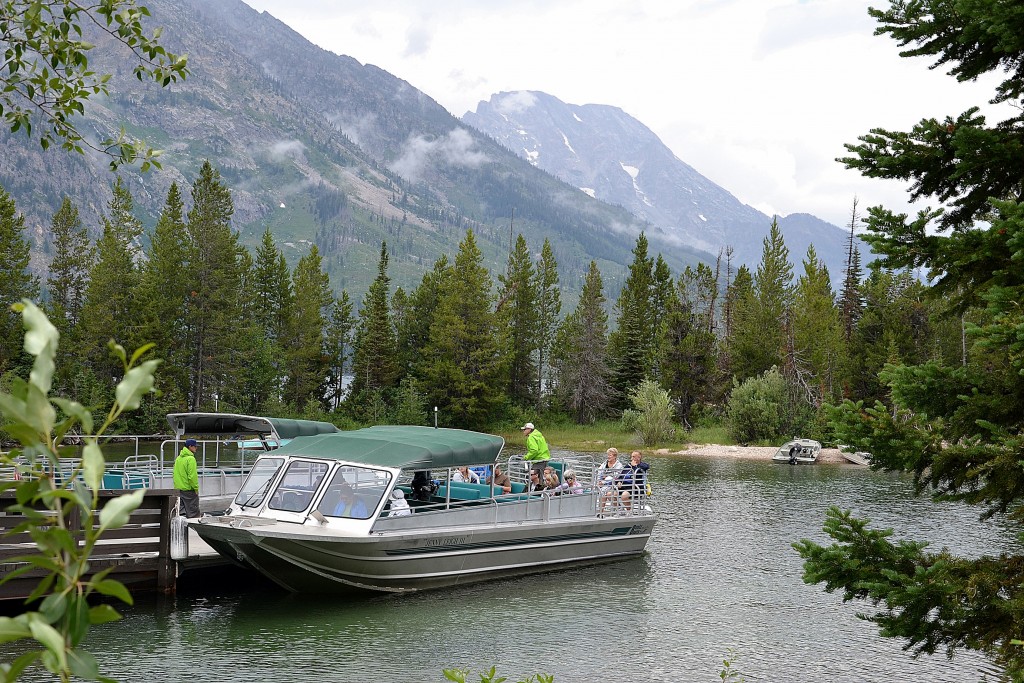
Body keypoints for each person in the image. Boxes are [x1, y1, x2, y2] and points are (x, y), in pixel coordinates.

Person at [173, 438, 201, 518]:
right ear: (190, 446)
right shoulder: (191, 459)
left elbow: (174, 473)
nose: (196, 448)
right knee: (193, 513)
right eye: (195, 446)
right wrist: (196, 489)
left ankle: (181, 529)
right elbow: (192, 476)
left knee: (181, 513)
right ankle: (193, 529)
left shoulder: (178, 458)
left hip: (178, 490)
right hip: (189, 490)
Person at [597, 447, 623, 515]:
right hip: (604, 483)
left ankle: (619, 508)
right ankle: (601, 512)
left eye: (610, 455)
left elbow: (615, 476)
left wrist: (604, 481)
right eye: (608, 455)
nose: (608, 457)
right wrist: (599, 481)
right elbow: (599, 472)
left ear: (615, 456)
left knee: (604, 491)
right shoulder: (604, 464)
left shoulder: (619, 465)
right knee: (601, 491)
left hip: (614, 484)